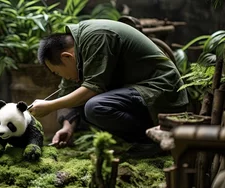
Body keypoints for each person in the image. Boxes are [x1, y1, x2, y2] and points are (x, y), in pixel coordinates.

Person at [29, 19, 189, 158]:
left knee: (95, 107)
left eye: (58, 72)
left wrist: (50, 106)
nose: (61, 77)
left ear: (66, 57)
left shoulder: (97, 36)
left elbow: (92, 89)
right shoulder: (79, 50)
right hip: (138, 92)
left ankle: (152, 142)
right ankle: (143, 140)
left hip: (161, 89)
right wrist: (67, 128)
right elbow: (67, 92)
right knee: (83, 109)